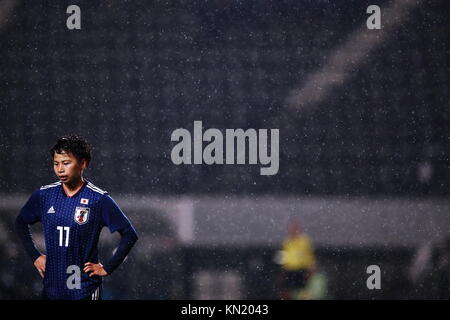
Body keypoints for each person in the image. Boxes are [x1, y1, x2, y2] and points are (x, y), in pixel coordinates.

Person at [15, 135, 138, 300]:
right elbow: (21, 223)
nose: (60, 169)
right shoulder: (44, 195)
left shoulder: (98, 199)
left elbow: (129, 234)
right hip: (52, 290)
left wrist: (107, 268)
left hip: (85, 290)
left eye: (66, 163)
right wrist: (35, 256)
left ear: (83, 163)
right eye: (56, 163)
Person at [278, 219, 316, 299]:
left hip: (301, 269)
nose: (294, 231)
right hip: (289, 270)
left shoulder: (305, 241)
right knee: (286, 292)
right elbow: (283, 256)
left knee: (303, 291)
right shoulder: (287, 242)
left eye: (296, 228)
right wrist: (282, 269)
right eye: (292, 229)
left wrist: (311, 268)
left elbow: (310, 256)